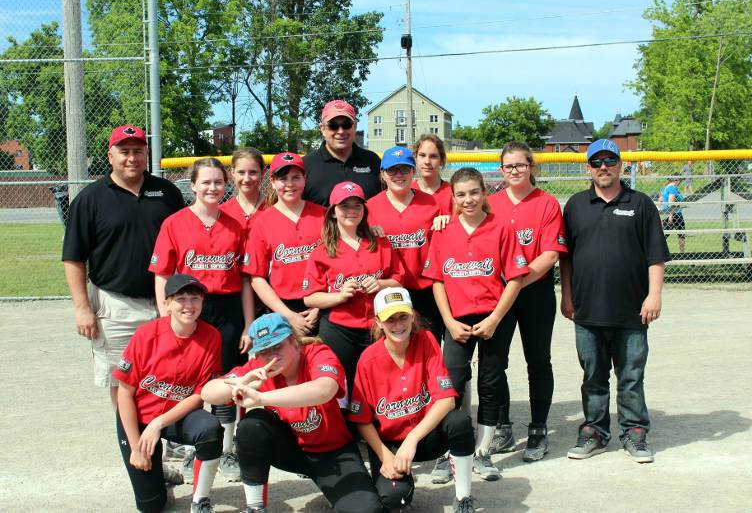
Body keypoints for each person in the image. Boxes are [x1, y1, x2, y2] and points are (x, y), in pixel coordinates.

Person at [201, 313, 383, 513]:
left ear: (293, 341)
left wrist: (262, 398)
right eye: (263, 351)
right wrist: (244, 382)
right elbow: (208, 392)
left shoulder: (317, 352)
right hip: (291, 449)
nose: (271, 356)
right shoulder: (257, 368)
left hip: (333, 452)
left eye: (277, 347)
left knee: (367, 509)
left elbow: (324, 390)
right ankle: (255, 507)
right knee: (251, 426)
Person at [559, 139, 670, 464]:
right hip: (587, 309)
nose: (603, 167)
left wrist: (654, 294)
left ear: (621, 164)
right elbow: (566, 258)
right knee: (592, 377)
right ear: (588, 167)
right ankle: (594, 431)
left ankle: (635, 432)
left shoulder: (640, 204)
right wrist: (566, 295)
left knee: (631, 376)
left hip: (632, 310)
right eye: (597, 162)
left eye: (610, 161)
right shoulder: (577, 205)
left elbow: (656, 256)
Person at [62, 124, 184, 408]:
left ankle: (169, 440)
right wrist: (82, 308)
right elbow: (73, 257)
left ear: (146, 154)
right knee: (123, 381)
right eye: (124, 151)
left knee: (171, 376)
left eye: (138, 151)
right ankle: (131, 442)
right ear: (110, 156)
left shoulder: (166, 193)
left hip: (167, 301)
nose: (132, 158)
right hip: (117, 304)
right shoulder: (91, 198)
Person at [150, 157, 255, 481]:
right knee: (188, 379)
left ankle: (224, 450)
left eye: (218, 182)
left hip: (226, 310)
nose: (212, 187)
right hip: (187, 307)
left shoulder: (236, 225)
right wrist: (165, 314)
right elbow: (162, 273)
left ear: (226, 186)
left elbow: (247, 279)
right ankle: (191, 445)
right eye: (206, 182)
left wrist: (249, 323)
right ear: (193, 185)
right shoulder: (175, 223)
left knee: (225, 382)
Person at [422, 167, 528, 481]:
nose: (468, 200)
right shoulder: (443, 231)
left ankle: (482, 451)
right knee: (451, 383)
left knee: (490, 382)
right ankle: (449, 451)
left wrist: (496, 318)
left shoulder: (501, 228)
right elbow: (437, 280)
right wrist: (448, 321)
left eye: (474, 192)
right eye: (461, 194)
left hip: (494, 315)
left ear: (484, 193)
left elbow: (516, 278)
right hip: (456, 318)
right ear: (452, 198)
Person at [349, 287, 476, 513]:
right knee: (393, 498)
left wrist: (413, 439)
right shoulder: (368, 359)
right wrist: (384, 455)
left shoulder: (426, 340)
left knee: (459, 422)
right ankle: (402, 486)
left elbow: (446, 400)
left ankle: (463, 498)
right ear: (379, 322)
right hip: (390, 443)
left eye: (403, 316)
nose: (398, 325)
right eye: (390, 319)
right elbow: (361, 419)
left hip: (424, 436)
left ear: (412, 315)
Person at [114, 274, 223, 513]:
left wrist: (159, 423)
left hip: (177, 416)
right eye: (180, 299)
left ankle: (200, 499)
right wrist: (136, 447)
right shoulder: (146, 335)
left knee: (210, 428)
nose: (188, 305)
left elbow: (199, 394)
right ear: (167, 304)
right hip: (140, 417)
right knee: (151, 507)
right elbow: (124, 393)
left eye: (195, 298)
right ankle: (158, 471)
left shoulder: (211, 336)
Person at [487, 141, 568, 462]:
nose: (515, 171)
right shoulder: (491, 203)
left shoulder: (546, 203)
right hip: (499, 293)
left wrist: (516, 280)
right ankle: (504, 427)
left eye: (521, 165)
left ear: (532, 166)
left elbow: (550, 255)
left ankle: (537, 428)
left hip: (534, 291)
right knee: (495, 362)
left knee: (538, 361)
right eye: (508, 166)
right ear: (502, 170)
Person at [303, 181, 404, 397]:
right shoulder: (323, 250)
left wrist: (380, 284)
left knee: (377, 383)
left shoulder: (380, 243)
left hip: (377, 327)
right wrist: (338, 296)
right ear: (332, 212)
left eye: (357, 205)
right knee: (343, 386)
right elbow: (310, 298)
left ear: (364, 210)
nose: (351, 211)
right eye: (344, 206)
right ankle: (346, 429)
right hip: (339, 328)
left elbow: (399, 281)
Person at [367, 146, 444, 341]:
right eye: (392, 170)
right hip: (388, 289)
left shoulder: (431, 204)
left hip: (425, 289)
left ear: (413, 172)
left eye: (405, 169)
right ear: (383, 174)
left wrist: (446, 220)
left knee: (428, 345)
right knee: (392, 347)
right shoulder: (369, 207)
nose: (399, 175)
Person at [244, 152, 324, 336]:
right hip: (282, 306)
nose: (289, 184)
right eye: (283, 178)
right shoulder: (262, 223)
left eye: (296, 177)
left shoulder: (323, 215)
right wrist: (287, 315)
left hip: (322, 305)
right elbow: (256, 278)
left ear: (305, 179)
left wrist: (320, 307)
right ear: (272, 181)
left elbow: (338, 265)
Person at [302, 99, 381, 206]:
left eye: (346, 125)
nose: (341, 131)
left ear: (355, 126)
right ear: (322, 128)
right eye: (333, 126)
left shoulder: (373, 161)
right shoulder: (306, 165)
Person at [220, 147, 268, 236]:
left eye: (253, 172)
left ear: (262, 172)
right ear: (233, 172)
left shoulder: (273, 208)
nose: (246, 179)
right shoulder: (222, 212)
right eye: (241, 172)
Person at [411, 134, 452, 215]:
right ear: (415, 158)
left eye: (433, 156)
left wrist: (452, 219)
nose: (427, 162)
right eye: (422, 155)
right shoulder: (407, 191)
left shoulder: (452, 193)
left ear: (441, 160)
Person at [660, 173, 686, 254]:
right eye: (680, 180)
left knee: (664, 235)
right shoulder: (672, 188)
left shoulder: (665, 187)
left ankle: (661, 252)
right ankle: (682, 253)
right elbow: (671, 202)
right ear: (676, 180)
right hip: (674, 214)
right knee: (681, 234)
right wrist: (671, 215)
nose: (680, 182)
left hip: (668, 213)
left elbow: (661, 199)